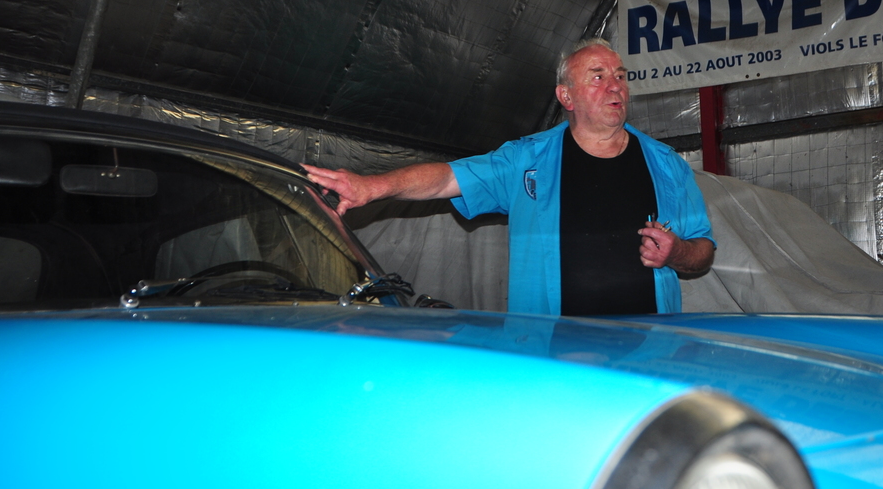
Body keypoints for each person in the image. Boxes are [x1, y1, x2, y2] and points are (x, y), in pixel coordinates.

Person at [304, 39, 715, 315]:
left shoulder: (666, 164)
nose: (616, 87)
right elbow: (446, 179)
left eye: (620, 76)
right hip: (549, 357)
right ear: (566, 96)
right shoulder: (526, 160)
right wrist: (371, 186)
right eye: (598, 76)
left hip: (646, 353)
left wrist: (676, 252)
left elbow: (703, 250)